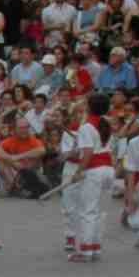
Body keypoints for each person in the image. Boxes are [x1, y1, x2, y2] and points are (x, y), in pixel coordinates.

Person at [60, 94, 116, 263]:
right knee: (99, 211)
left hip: (94, 170)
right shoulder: (107, 123)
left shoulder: (86, 127)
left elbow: (89, 152)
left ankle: (85, 250)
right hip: (108, 169)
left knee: (88, 210)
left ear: (90, 107)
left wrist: (79, 171)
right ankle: (95, 247)